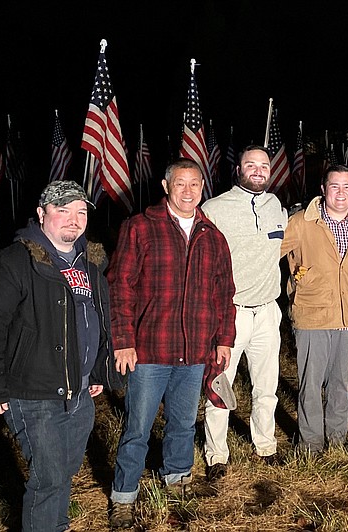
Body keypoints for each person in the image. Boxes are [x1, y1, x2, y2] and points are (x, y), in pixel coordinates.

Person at [0, 180, 122, 532]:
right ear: (42, 215)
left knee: (64, 471)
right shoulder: (14, 262)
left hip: (80, 391)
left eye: (80, 211)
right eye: (63, 210)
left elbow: (99, 319)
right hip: (35, 393)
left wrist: (97, 370)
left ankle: (59, 525)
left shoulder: (91, 261)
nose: (73, 218)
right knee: (49, 477)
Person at [108, 159, 236, 529]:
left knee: (182, 424)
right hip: (149, 350)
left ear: (202, 188)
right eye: (180, 184)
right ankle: (124, 498)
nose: (188, 191)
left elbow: (223, 293)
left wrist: (223, 340)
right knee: (138, 427)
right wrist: (123, 341)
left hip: (195, 351)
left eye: (195, 184)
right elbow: (121, 288)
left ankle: (177, 480)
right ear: (166, 187)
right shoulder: (140, 228)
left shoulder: (212, 235)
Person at [201, 145, 288, 480]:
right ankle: (216, 455)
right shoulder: (215, 208)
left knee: (266, 387)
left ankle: (265, 446)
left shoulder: (275, 205)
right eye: (250, 165)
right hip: (230, 313)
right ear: (238, 169)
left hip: (267, 310)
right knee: (220, 385)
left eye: (263, 165)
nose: (258, 170)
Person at [281, 164, 348, 454]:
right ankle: (311, 442)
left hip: (347, 314)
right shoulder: (300, 222)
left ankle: (337, 438)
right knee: (311, 382)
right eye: (335, 186)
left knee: (340, 379)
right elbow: (273, 253)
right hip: (312, 314)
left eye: (347, 187)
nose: (341, 193)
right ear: (323, 189)